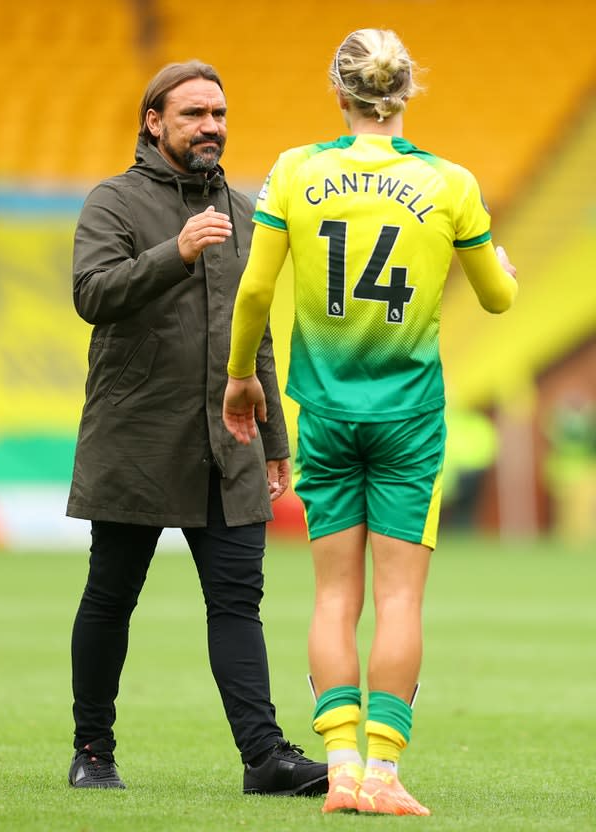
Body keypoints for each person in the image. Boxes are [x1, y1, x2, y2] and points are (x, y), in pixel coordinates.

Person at [223, 28, 517, 816]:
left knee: (331, 599)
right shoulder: (450, 183)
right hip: (409, 418)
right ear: (406, 92)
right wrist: (508, 272)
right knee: (400, 601)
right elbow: (496, 298)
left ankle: (342, 765)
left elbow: (252, 296)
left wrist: (240, 377)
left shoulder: (295, 170)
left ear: (339, 92)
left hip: (323, 410)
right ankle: (384, 774)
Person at [65, 60, 328, 797]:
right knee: (111, 596)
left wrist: (276, 444)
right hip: (137, 438)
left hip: (230, 444)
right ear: (154, 121)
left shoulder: (248, 213)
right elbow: (91, 295)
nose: (211, 126)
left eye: (218, 113)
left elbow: (259, 335)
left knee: (239, 600)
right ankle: (93, 749)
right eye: (193, 114)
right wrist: (172, 252)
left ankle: (265, 757)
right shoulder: (112, 202)